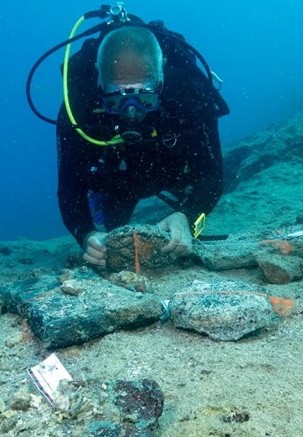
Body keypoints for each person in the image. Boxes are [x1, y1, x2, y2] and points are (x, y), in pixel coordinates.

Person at [55, 18, 228, 267]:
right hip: (116, 178)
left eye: (144, 97)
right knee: (115, 235)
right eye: (116, 99)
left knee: (194, 198)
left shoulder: (190, 94)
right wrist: (86, 234)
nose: (131, 111)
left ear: (161, 74)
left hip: (172, 169)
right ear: (100, 81)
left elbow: (212, 175)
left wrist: (187, 217)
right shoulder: (77, 108)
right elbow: (69, 187)